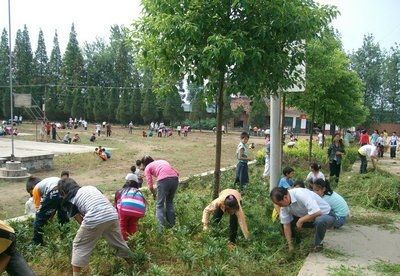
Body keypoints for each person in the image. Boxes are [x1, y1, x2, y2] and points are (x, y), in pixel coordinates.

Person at [58, 178, 133, 275]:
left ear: (64, 191)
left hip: (94, 217)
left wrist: (93, 232)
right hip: (112, 214)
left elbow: (80, 220)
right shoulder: (91, 187)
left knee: (79, 245)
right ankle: (135, 264)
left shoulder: (70, 199)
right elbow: (103, 200)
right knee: (119, 243)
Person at [270, 187, 335, 252]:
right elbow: (286, 224)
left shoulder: (300, 194)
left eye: (280, 204)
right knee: (284, 222)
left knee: (320, 221)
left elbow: (317, 212)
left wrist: (301, 220)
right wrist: (290, 245)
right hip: (310, 217)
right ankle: (295, 243)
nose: (280, 206)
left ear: (285, 198)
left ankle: (318, 245)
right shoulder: (284, 206)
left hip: (326, 215)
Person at [26, 176, 69, 245]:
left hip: (54, 190)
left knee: (39, 218)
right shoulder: (46, 183)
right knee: (63, 216)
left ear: (33, 187)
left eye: (31, 193)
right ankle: (66, 237)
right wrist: (50, 217)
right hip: (64, 189)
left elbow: (38, 210)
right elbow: (54, 206)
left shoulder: (36, 188)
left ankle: (37, 242)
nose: (32, 195)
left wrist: (42, 218)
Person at [141, 155, 179, 231]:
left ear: (144, 164)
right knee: (169, 202)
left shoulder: (147, 167)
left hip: (163, 180)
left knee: (159, 205)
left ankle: (159, 231)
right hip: (175, 179)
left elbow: (150, 186)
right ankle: (172, 226)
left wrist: (154, 194)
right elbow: (177, 173)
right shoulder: (163, 161)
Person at [114, 174, 147, 240]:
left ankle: (124, 243)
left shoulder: (122, 191)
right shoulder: (138, 191)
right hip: (139, 211)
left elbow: (117, 205)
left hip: (126, 210)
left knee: (122, 224)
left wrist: (118, 215)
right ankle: (133, 241)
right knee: (132, 224)